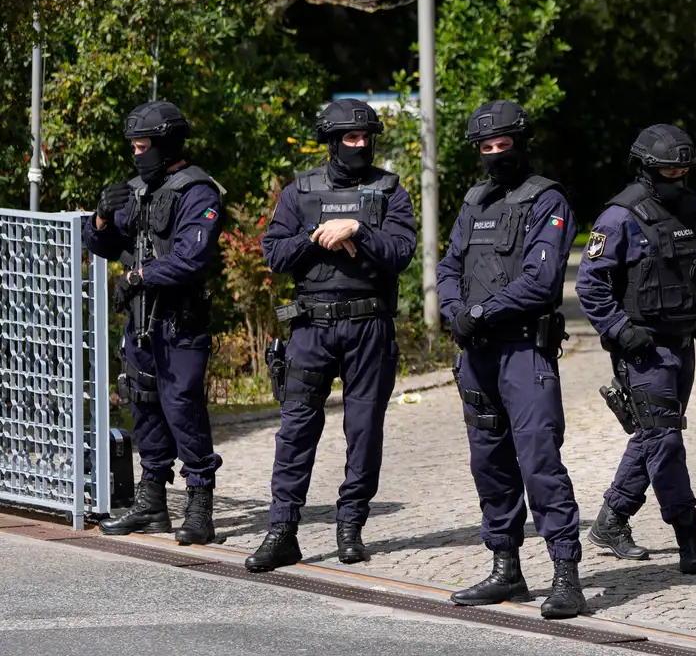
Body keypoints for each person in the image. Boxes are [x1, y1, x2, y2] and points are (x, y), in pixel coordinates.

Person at [246, 99, 419, 572]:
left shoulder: (389, 190)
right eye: (350, 138)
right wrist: (315, 235)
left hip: (369, 327)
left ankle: (351, 527)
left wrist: (358, 229)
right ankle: (282, 529)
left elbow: (402, 251)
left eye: (366, 138)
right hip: (310, 327)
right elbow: (275, 255)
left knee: (363, 431)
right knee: (296, 429)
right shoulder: (298, 192)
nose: (359, 145)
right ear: (331, 141)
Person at [434, 100, 587, 619]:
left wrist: (480, 311)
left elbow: (541, 281)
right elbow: (449, 262)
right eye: (486, 148)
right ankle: (506, 569)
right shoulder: (474, 200)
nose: (496, 155)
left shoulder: (548, 199)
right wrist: (454, 310)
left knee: (539, 459)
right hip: (476, 353)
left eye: (504, 146)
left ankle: (565, 572)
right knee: (489, 463)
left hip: (524, 350)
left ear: (521, 145)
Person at [576, 124, 696, 573]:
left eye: (683, 170)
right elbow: (590, 284)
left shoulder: (692, 210)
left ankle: (612, 519)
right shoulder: (619, 217)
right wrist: (622, 331)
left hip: (682, 345)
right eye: (668, 170)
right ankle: (689, 533)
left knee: (654, 434)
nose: (677, 177)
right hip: (642, 348)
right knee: (665, 440)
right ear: (645, 169)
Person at [88, 101, 225, 546]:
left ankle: (200, 506)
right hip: (142, 324)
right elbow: (106, 243)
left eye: (143, 147)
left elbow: (191, 258)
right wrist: (102, 217)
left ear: (166, 146)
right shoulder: (138, 190)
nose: (136, 155)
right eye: (133, 147)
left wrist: (139, 276)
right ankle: (152, 504)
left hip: (180, 324)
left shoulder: (198, 193)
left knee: (182, 408)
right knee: (143, 401)